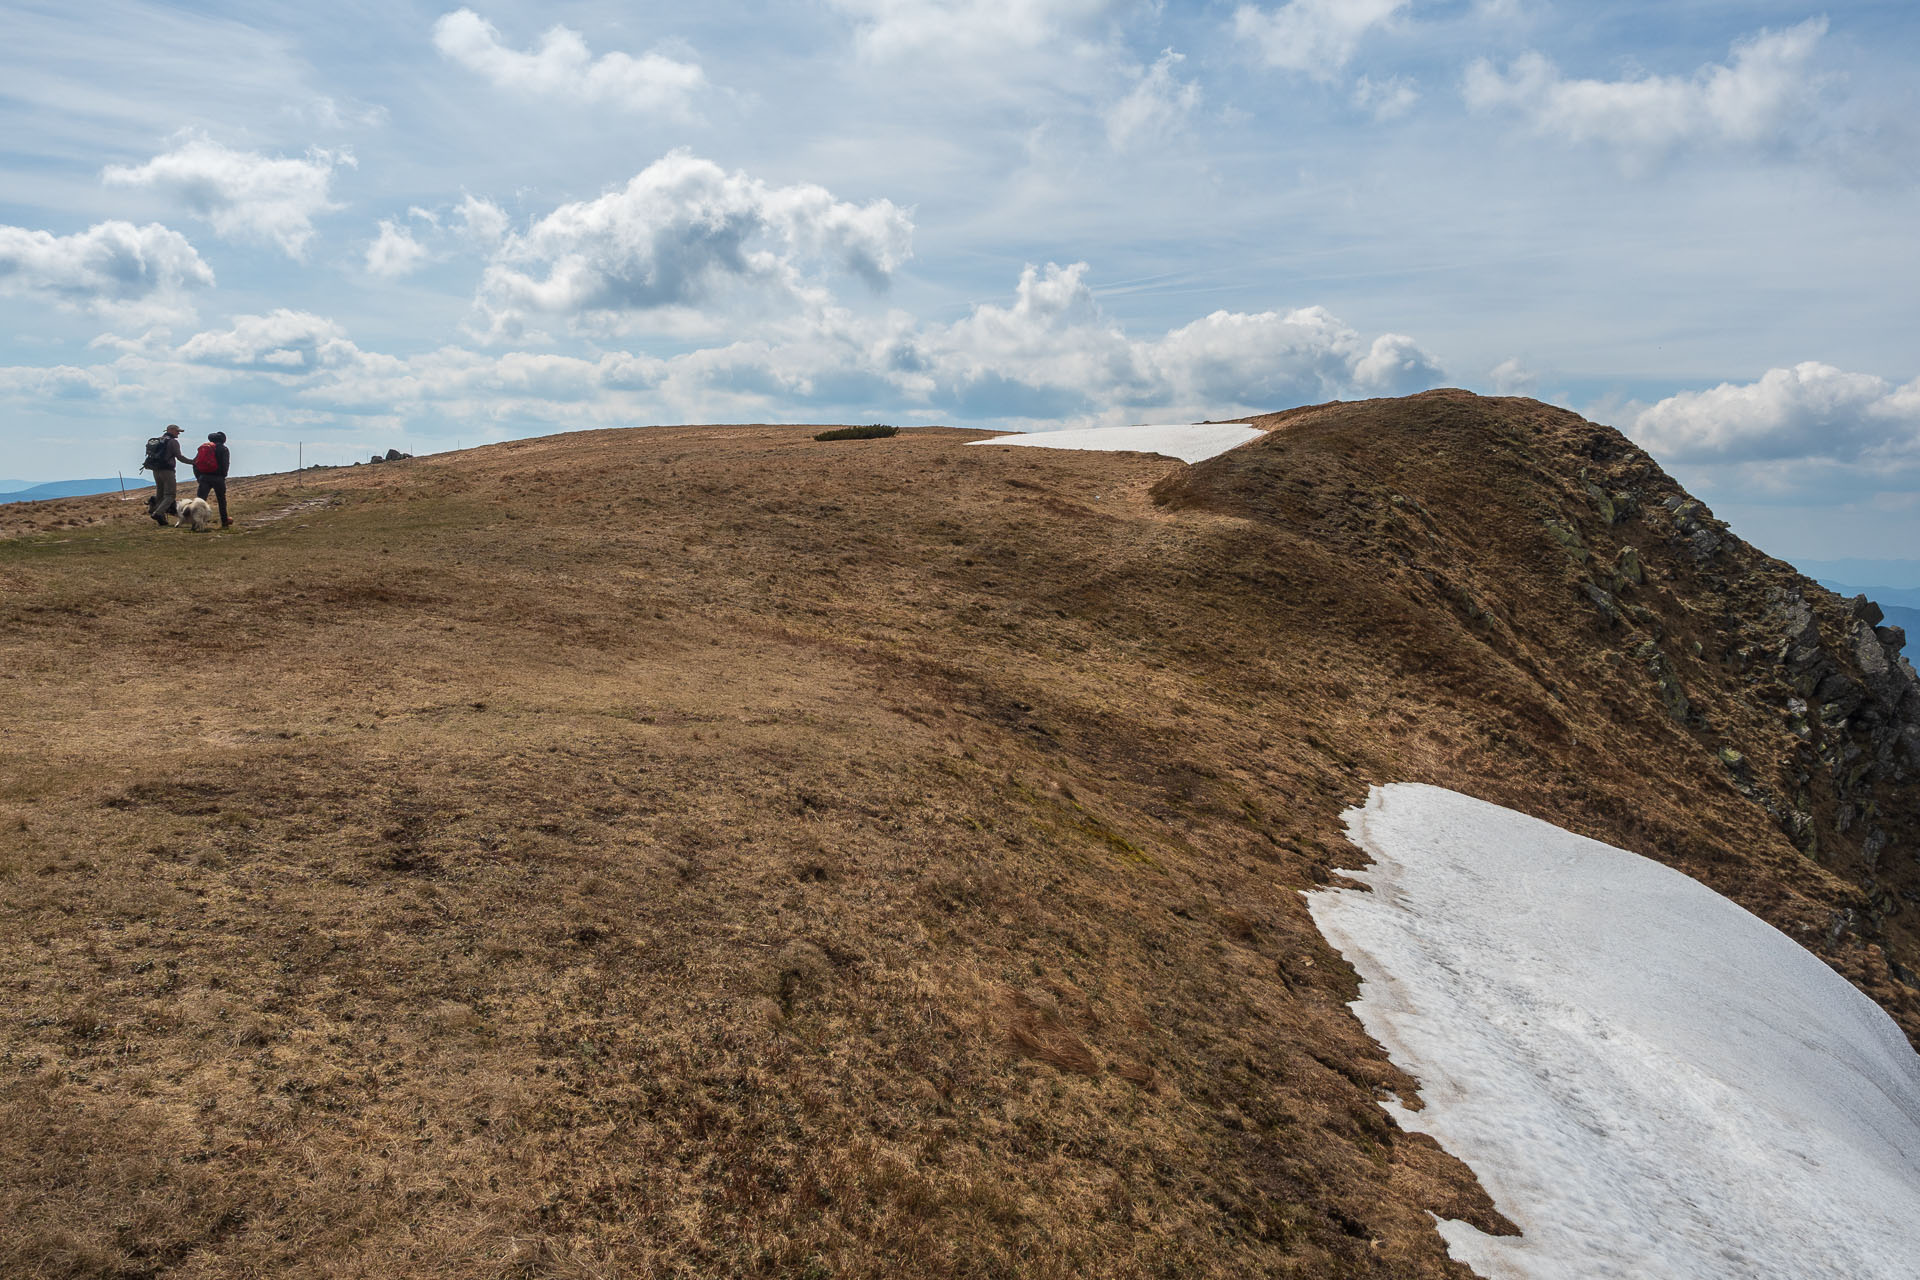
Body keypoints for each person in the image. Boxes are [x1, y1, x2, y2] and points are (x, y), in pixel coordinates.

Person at [146, 424, 188, 526]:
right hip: (167, 471)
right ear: (171, 430)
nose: (178, 433)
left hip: (156, 470)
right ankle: (158, 513)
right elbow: (180, 457)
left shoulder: (158, 440)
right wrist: (193, 462)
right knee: (170, 495)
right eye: (177, 431)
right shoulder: (173, 442)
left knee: (160, 494)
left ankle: (162, 519)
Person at [192, 430, 232, 528]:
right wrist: (223, 476)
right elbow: (225, 464)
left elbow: (196, 463)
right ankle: (224, 522)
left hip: (204, 477)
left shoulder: (204, 448)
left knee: (200, 501)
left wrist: (199, 477)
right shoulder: (223, 449)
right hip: (218, 478)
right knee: (221, 501)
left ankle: (195, 524)